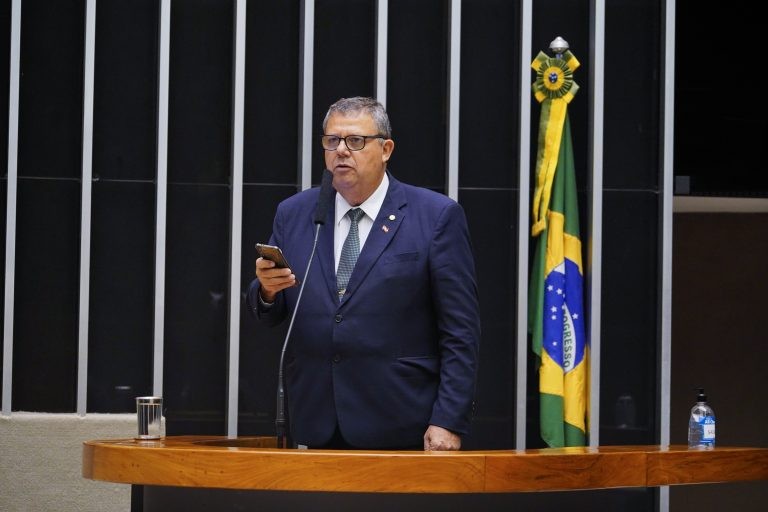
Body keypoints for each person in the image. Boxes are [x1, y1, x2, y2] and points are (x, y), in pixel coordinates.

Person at [247, 97, 480, 450]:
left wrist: (448, 419)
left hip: (401, 421)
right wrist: (266, 291)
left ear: (385, 149)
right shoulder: (295, 213)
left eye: (355, 141)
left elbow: (460, 332)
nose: (341, 151)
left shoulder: (435, 217)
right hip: (313, 419)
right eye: (332, 141)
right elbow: (271, 309)